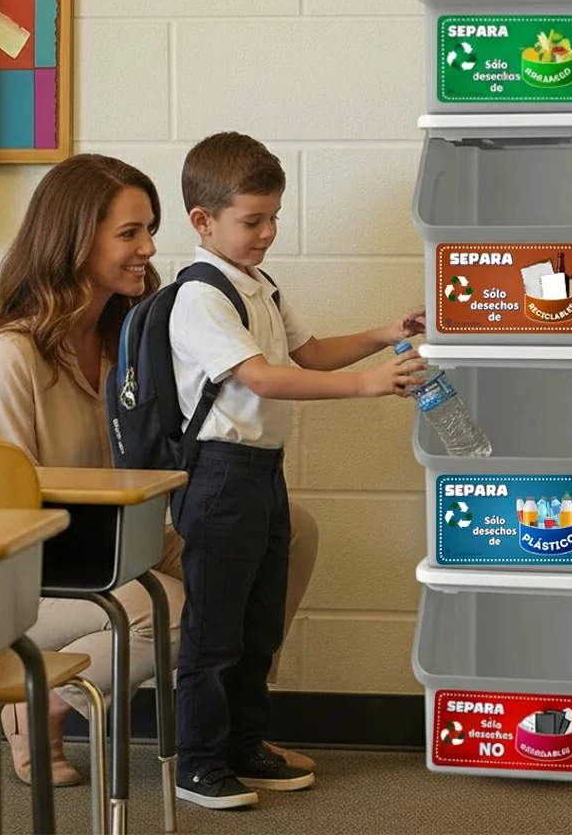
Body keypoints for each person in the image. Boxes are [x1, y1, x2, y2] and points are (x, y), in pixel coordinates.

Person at [0, 153, 319, 786]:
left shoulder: (137, 330)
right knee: (175, 607)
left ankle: (229, 727)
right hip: (42, 569)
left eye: (150, 228)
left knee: (291, 534)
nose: (149, 247)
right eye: (130, 233)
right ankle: (42, 700)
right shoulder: (12, 354)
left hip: (129, 540)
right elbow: (4, 504)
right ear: (72, 240)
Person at [169, 132, 426, 809]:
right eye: (252, 221)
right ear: (204, 221)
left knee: (259, 624)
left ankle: (244, 743)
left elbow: (308, 354)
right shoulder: (201, 295)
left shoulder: (259, 284)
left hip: (260, 473)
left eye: (273, 218)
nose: (267, 233)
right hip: (219, 476)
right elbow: (261, 377)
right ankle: (197, 762)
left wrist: (382, 333)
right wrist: (367, 386)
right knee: (213, 630)